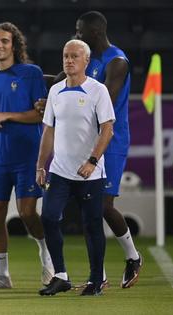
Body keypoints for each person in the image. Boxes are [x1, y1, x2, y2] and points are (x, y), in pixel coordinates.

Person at [0, 22, 53, 290]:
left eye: (5, 41)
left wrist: (7, 116)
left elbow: (40, 114)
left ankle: (46, 251)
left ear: (14, 45)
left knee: (28, 212)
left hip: (26, 154)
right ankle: (3, 275)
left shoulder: (31, 74)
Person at [37, 39, 115, 297]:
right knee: (48, 217)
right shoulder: (55, 91)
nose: (69, 60)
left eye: (74, 56)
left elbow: (107, 130)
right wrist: (41, 165)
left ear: (86, 62)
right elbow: (48, 129)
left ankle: (95, 280)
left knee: (92, 225)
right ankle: (60, 275)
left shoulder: (98, 90)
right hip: (60, 171)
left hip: (89, 173)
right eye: (65, 56)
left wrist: (93, 161)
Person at [73, 11, 142, 288]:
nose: (77, 36)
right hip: (86, 139)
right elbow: (66, 83)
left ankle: (133, 257)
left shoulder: (117, 62)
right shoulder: (90, 61)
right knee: (90, 207)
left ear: (96, 33)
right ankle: (97, 276)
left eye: (80, 31)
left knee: (102, 205)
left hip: (110, 141)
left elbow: (104, 102)